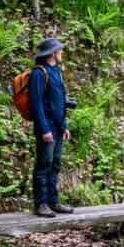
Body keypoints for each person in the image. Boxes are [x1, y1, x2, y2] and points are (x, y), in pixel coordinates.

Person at [30, 38, 75, 217]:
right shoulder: (39, 74)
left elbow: (60, 102)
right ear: (52, 53)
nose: (61, 52)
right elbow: (36, 104)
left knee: (55, 165)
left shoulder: (57, 71)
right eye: (59, 50)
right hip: (46, 129)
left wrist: (64, 126)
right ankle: (40, 204)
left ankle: (53, 201)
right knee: (43, 165)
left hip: (57, 127)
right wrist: (44, 130)